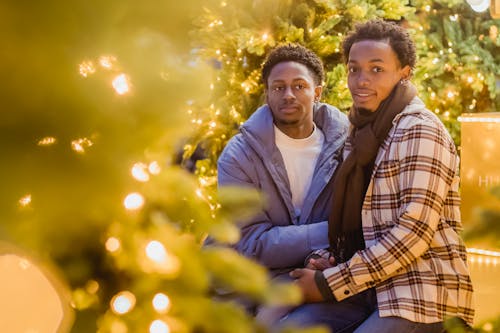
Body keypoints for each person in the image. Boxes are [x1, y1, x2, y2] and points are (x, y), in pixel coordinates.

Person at [290, 19, 475, 332]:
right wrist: (328, 259)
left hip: (422, 295)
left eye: (377, 69)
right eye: (354, 69)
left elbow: (412, 234)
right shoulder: (360, 134)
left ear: (404, 72)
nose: (361, 81)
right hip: (369, 289)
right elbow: (363, 226)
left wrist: (327, 284)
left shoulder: (419, 130)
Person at [217, 44, 370, 330]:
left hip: (325, 276)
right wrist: (331, 231)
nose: (288, 95)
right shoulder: (239, 154)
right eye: (278, 87)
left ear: (317, 92)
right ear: (267, 94)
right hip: (252, 277)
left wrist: (325, 254)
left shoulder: (348, 146)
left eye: (299, 86)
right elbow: (250, 244)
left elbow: (363, 223)